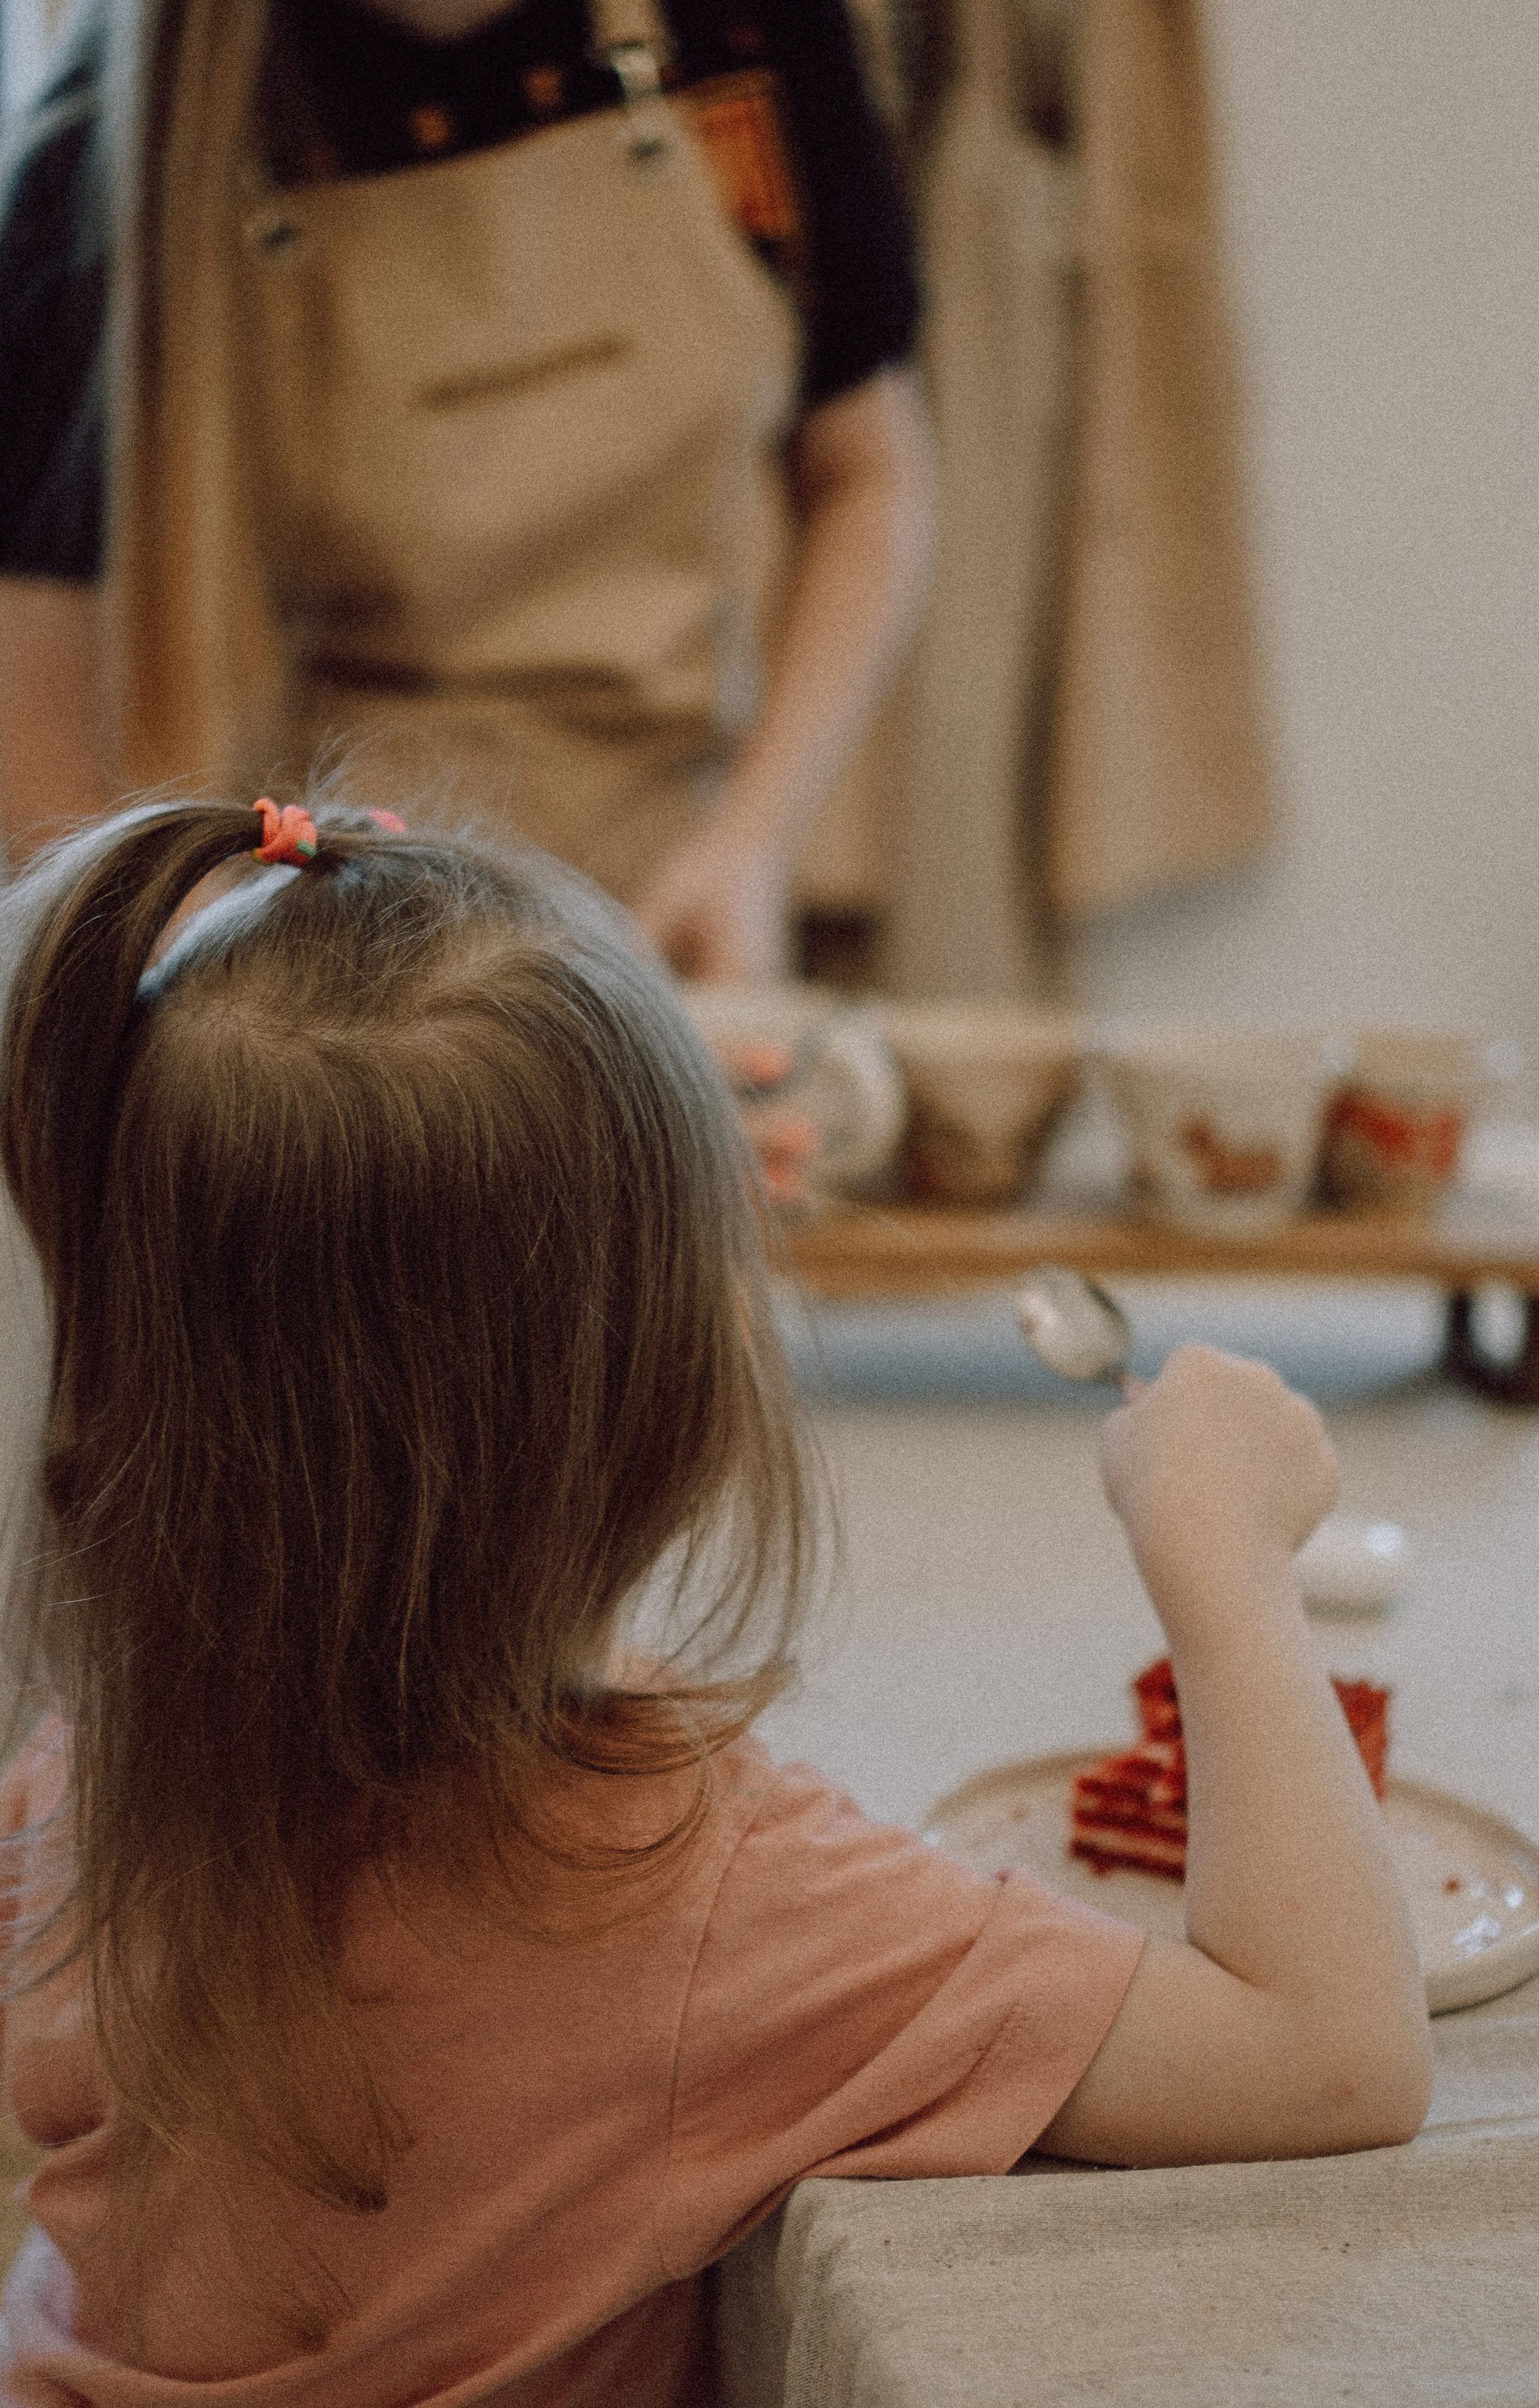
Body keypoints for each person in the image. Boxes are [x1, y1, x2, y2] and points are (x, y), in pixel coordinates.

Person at [0, 791, 1431, 2402]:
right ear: (679, 1394)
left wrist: (616, 1206)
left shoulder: (98, 1768)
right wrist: (1221, 1559)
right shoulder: (691, 1898)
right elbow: (1332, 2055)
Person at [0, 0, 937, 983]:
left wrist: (750, 844)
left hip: (660, 913)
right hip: (316, 946)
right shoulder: (120, 127)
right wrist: (191, 948)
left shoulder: (749, 35)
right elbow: (38, 707)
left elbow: (866, 476)